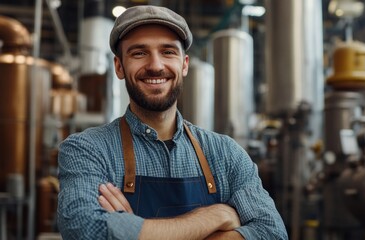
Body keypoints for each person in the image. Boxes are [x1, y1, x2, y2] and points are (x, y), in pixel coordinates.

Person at [57, 5, 288, 240]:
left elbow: (272, 233)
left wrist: (131, 229)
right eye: (139, 53)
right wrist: (215, 217)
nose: (156, 65)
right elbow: (84, 231)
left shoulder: (226, 154)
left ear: (185, 64)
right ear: (119, 66)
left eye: (168, 52)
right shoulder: (87, 150)